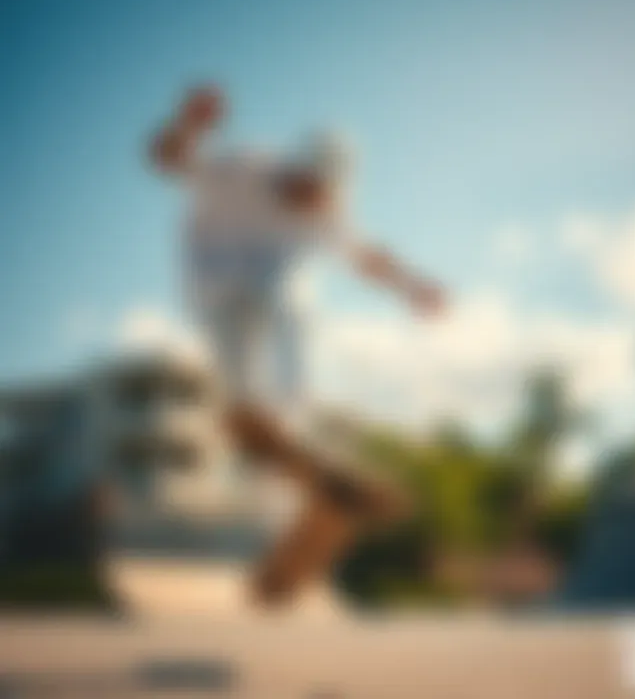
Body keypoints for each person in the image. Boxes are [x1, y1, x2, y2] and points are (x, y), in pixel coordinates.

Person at [148, 86, 446, 605]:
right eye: (305, 188)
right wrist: (188, 124)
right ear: (291, 169)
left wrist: (413, 286)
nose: (310, 203)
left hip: (272, 295)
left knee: (292, 302)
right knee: (245, 402)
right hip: (215, 295)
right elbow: (168, 160)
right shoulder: (241, 167)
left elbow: (364, 255)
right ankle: (262, 417)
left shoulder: (327, 211)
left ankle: (302, 445)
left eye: (322, 196)